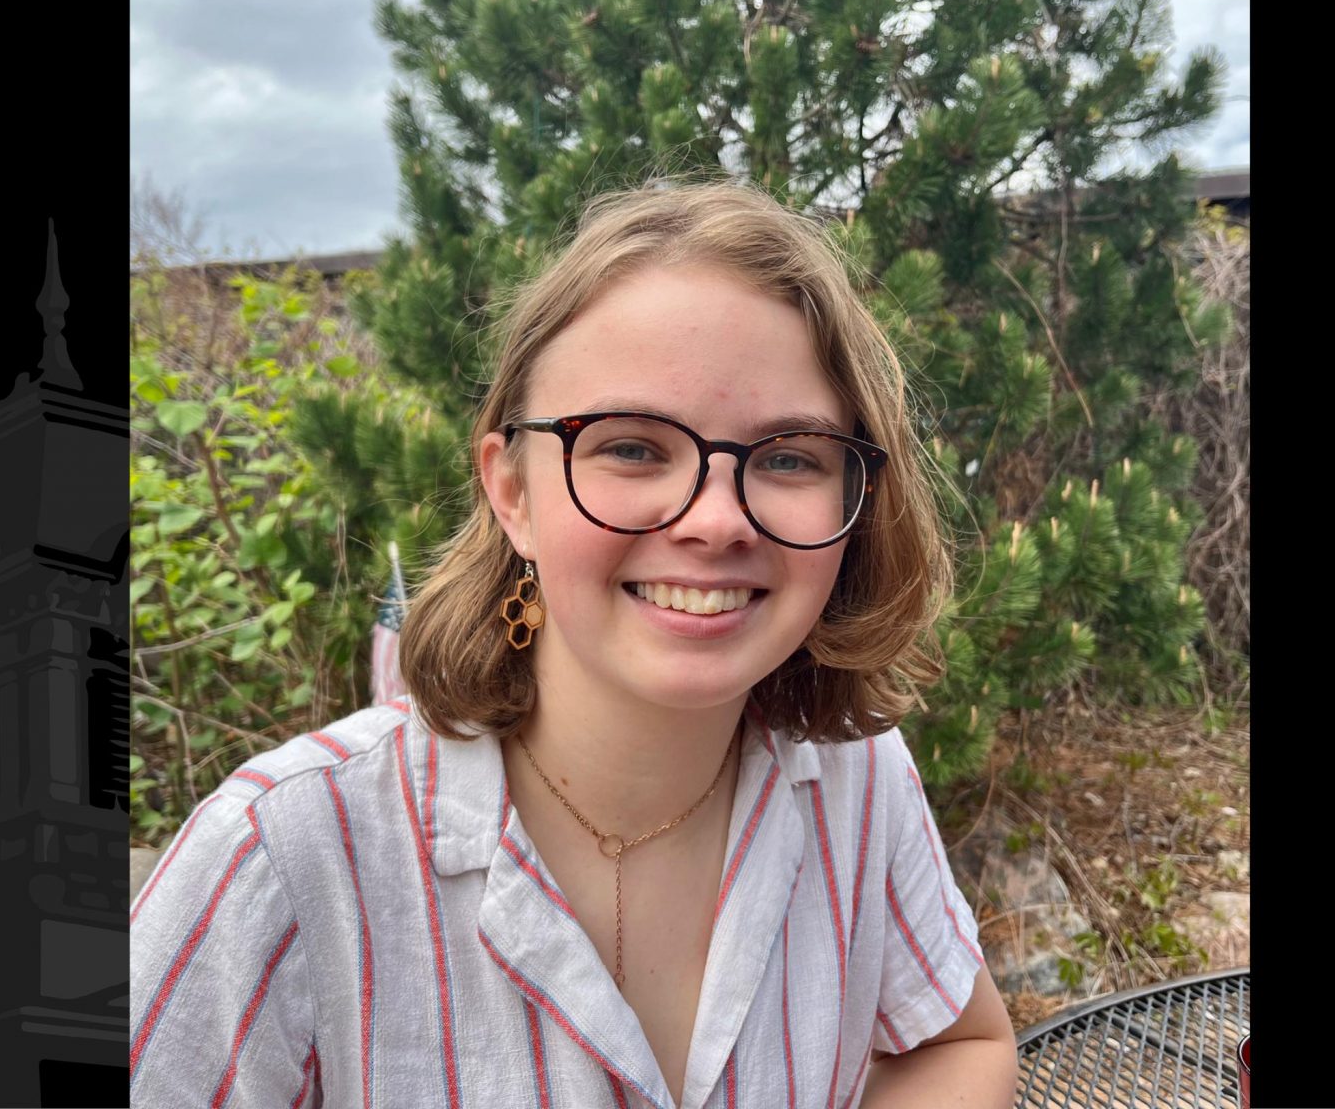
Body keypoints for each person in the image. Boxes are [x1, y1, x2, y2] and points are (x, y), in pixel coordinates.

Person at [130, 179, 1018, 1108]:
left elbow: (958, 1041)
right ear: (512, 490)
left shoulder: (857, 782)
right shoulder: (284, 857)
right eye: (632, 448)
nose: (716, 521)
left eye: (790, 456)